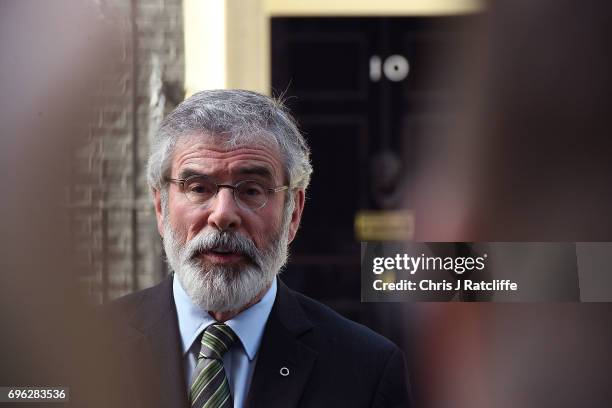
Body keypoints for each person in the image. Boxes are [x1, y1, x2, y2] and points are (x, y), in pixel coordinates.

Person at [104, 89, 411, 408]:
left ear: (293, 213)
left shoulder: (367, 371)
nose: (223, 214)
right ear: (160, 207)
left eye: (251, 190)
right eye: (198, 188)